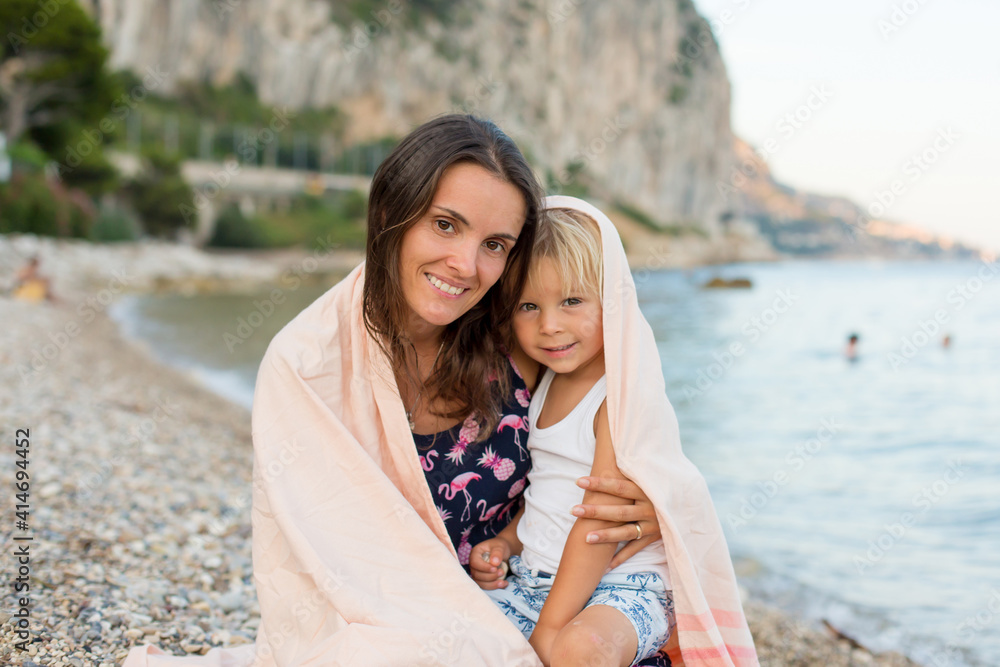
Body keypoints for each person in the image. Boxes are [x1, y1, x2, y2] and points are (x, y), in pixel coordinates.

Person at [123, 115, 666, 667]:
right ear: (391, 213)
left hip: (533, 603)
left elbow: (614, 428)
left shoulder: (524, 334)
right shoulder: (308, 366)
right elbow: (337, 558)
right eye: (446, 225)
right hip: (406, 624)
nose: (466, 266)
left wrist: (655, 496)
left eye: (495, 244)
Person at [472, 196, 758, 667]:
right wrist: (506, 542)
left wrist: (549, 627)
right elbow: (547, 496)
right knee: (446, 624)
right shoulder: (546, 384)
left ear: (612, 300)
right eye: (528, 305)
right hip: (533, 578)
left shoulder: (617, 396)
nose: (549, 326)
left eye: (572, 301)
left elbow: (598, 519)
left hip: (625, 587)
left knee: (580, 650)